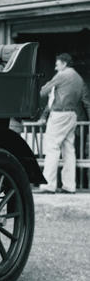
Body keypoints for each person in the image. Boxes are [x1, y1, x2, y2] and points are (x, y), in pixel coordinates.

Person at [37, 53, 90, 194]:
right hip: (72, 115)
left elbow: (44, 91)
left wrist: (43, 88)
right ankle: (69, 185)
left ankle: (48, 184)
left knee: (52, 147)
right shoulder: (79, 78)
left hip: (59, 114)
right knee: (69, 150)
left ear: (64, 63)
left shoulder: (62, 75)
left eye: (57, 64)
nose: (55, 68)